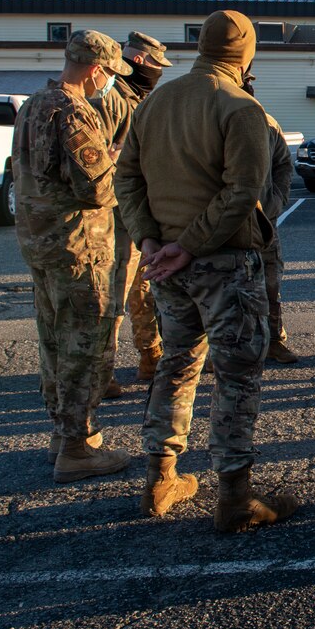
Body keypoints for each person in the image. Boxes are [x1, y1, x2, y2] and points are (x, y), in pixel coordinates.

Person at [115, 10, 299, 529]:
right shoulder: (239, 107)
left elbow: (125, 176)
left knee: (177, 363)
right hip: (222, 263)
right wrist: (190, 246)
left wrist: (153, 239)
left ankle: (160, 476)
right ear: (247, 53)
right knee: (237, 376)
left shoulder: (155, 103)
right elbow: (242, 192)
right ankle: (236, 496)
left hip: (168, 264)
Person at [12, 29, 133, 481]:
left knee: (54, 340)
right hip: (77, 245)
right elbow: (97, 188)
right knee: (86, 343)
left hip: (41, 242)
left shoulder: (32, 105)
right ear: (97, 69)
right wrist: (116, 155)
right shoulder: (73, 111)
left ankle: (63, 434)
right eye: (108, 74)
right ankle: (78, 448)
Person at [90, 31, 173, 396]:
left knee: (142, 289)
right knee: (111, 297)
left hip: (138, 212)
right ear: (138, 60)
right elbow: (105, 160)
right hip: (116, 215)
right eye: (156, 65)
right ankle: (100, 373)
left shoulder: (136, 98)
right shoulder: (112, 99)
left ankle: (150, 358)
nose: (159, 72)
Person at [242, 71, 299, 364]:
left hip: (263, 220)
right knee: (221, 290)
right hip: (217, 224)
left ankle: (275, 341)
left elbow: (283, 166)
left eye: (249, 80)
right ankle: (218, 351)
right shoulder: (204, 115)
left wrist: (276, 202)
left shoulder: (266, 122)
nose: (247, 84)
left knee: (270, 284)